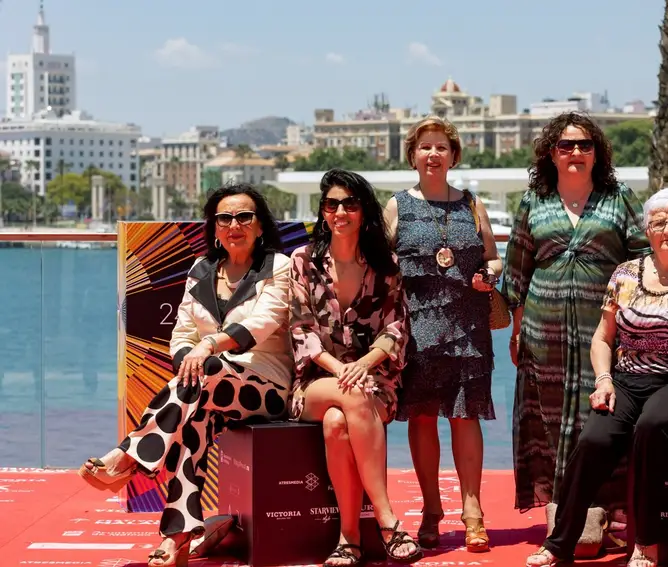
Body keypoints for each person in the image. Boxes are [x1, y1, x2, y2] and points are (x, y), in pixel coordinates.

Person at [78, 184, 293, 567]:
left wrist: (208, 347)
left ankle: (128, 458)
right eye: (224, 218)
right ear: (214, 228)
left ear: (260, 227)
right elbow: (181, 335)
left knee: (204, 371)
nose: (234, 225)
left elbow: (263, 323)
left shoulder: (277, 266)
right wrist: (192, 357)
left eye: (244, 217)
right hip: (207, 389)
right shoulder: (201, 270)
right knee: (191, 425)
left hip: (266, 389)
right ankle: (176, 540)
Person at [526, 188, 668, 567]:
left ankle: (647, 541)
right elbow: (603, 337)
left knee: (652, 426)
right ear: (647, 230)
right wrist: (604, 379)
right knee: (594, 439)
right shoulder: (625, 273)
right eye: (658, 222)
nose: (667, 229)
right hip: (627, 378)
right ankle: (559, 544)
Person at [502, 112, 650, 517]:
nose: (576, 152)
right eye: (566, 145)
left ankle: (607, 508)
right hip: (542, 330)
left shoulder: (618, 197)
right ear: (552, 154)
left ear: (597, 153)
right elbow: (517, 267)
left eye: (585, 145)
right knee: (547, 417)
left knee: (599, 414)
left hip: (601, 329)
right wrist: (517, 331)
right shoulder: (535, 201)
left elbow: (642, 258)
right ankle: (559, 506)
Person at [288, 168, 422, 566]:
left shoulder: (386, 266)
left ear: (364, 211)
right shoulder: (303, 261)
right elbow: (301, 331)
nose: (340, 212)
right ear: (323, 212)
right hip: (315, 382)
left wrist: (362, 364)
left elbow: (396, 328)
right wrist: (341, 369)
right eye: (332, 205)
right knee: (351, 395)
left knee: (337, 423)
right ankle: (388, 521)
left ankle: (349, 539)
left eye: (349, 204)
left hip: (374, 380)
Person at [383, 117, 502, 552]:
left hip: (468, 325)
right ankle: (431, 510)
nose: (433, 154)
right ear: (412, 155)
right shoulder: (396, 206)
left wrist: (486, 275)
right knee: (421, 417)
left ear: (453, 156)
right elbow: (379, 262)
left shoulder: (472, 204)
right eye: (425, 147)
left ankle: (473, 512)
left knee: (465, 416)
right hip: (416, 327)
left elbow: (492, 258)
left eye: (442, 147)